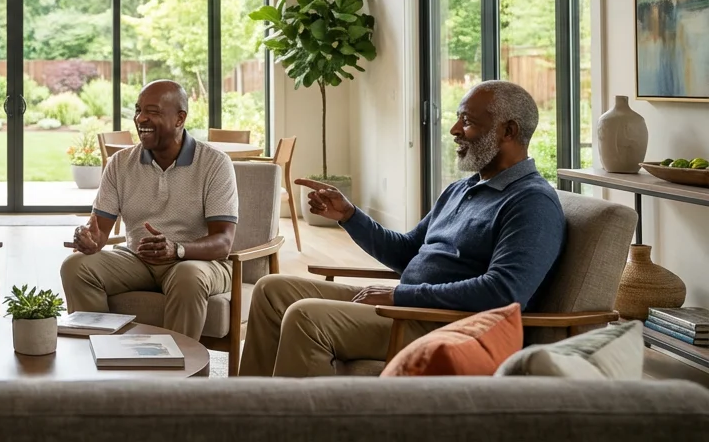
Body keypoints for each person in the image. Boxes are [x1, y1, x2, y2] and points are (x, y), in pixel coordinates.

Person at [240, 80, 566, 377]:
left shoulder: (531, 203)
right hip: (409, 308)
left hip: (444, 324)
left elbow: (504, 293)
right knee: (272, 290)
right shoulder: (462, 189)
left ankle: (295, 425)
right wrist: (350, 216)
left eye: (466, 121)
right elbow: (408, 251)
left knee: (306, 317)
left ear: (507, 131)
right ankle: (245, 414)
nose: (453, 129)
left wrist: (400, 295)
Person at [60, 80, 238, 340]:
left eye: (152, 112)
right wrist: (87, 238)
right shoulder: (120, 163)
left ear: (180, 119)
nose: (140, 118)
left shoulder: (214, 163)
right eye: (138, 110)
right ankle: (103, 355)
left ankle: (177, 374)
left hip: (196, 261)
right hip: (137, 260)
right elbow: (98, 231)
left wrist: (176, 249)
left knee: (188, 276)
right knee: (76, 265)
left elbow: (223, 242)